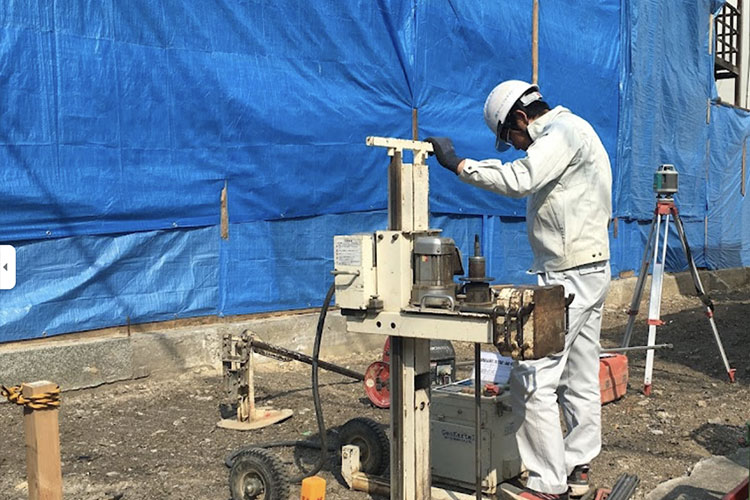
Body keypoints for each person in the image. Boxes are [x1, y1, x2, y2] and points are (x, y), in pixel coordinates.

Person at [425, 80, 612, 499]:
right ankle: (577, 466)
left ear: (522, 119)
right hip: (588, 269)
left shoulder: (561, 133)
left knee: (532, 376)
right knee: (579, 373)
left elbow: (519, 179)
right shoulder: (576, 130)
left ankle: (547, 484)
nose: (516, 146)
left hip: (568, 275)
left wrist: (459, 165)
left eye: (511, 138)